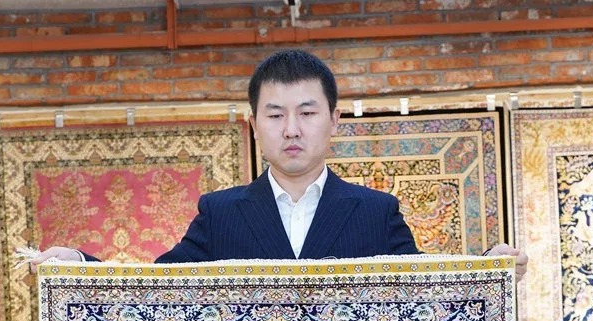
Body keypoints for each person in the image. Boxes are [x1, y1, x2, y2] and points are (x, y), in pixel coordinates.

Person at [31, 50, 526, 277]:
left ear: (333, 121)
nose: (291, 129)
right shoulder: (220, 213)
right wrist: (79, 265)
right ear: (254, 124)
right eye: (275, 115)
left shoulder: (377, 212)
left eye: (307, 113)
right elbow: (155, 290)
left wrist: (491, 269)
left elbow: (427, 291)